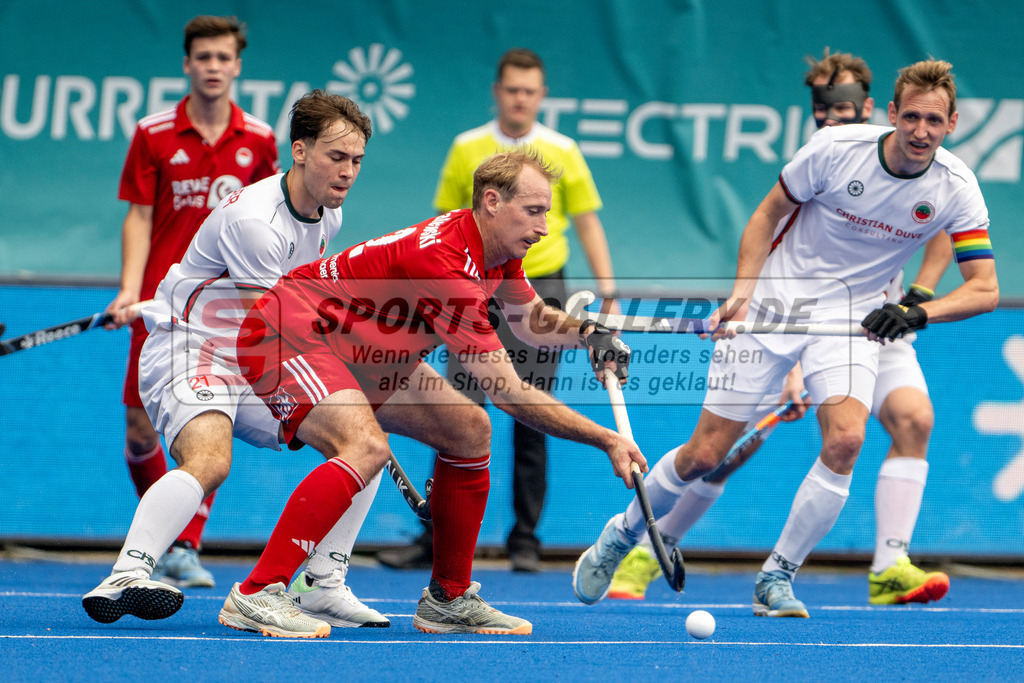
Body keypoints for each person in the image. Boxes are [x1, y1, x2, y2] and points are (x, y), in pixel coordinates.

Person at [573, 59, 998, 617]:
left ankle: (777, 576)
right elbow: (765, 216)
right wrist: (742, 294)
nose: (922, 131)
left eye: (935, 121)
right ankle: (622, 535)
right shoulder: (835, 149)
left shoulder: (956, 185)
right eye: (912, 117)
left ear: (953, 123)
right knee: (706, 454)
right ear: (891, 114)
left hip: (852, 322)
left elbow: (984, 288)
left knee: (847, 439)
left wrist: (917, 312)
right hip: (775, 305)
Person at [217, 148, 644, 638]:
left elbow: (531, 320)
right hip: (291, 331)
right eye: (534, 210)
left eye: (546, 211)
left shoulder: (495, 251)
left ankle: (448, 599)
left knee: (468, 430)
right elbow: (507, 392)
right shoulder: (446, 264)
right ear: (492, 201)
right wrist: (607, 439)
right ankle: (256, 593)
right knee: (364, 447)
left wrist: (587, 332)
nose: (544, 226)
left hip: (364, 349)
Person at [84, 90, 388, 629]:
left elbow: (292, 321)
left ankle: (323, 586)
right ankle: (126, 575)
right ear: (299, 150)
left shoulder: (327, 218)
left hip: (254, 353)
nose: (348, 173)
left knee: (363, 442)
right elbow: (276, 324)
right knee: (211, 461)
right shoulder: (256, 220)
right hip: (191, 346)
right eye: (335, 157)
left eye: (357, 161)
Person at [378, 47, 620, 573]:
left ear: (541, 95)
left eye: (530, 90)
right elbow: (446, 222)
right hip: (464, 283)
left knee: (530, 416)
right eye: (512, 89)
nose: (520, 98)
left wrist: (602, 306)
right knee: (457, 412)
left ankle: (524, 540)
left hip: (534, 281)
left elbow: (586, 224)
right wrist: (608, 439)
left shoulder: (563, 151)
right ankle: (437, 542)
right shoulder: (468, 147)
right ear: (498, 91)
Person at [104, 15, 280, 587]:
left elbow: (276, 218)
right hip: (161, 304)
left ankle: (181, 545)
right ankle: (170, 536)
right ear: (187, 64)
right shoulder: (152, 132)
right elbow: (139, 213)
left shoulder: (259, 138)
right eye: (202, 57)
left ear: (237, 65)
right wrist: (130, 289)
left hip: (229, 308)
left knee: (213, 427)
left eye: (223, 57)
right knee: (138, 427)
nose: (212, 66)